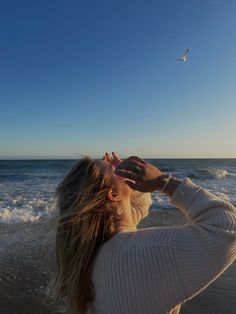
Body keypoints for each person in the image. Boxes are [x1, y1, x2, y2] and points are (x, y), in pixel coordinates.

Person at [53, 152, 236, 314]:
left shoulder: (89, 254)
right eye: (113, 168)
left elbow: (140, 206)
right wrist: (164, 182)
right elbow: (226, 226)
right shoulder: (152, 250)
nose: (120, 165)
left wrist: (126, 182)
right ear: (112, 195)